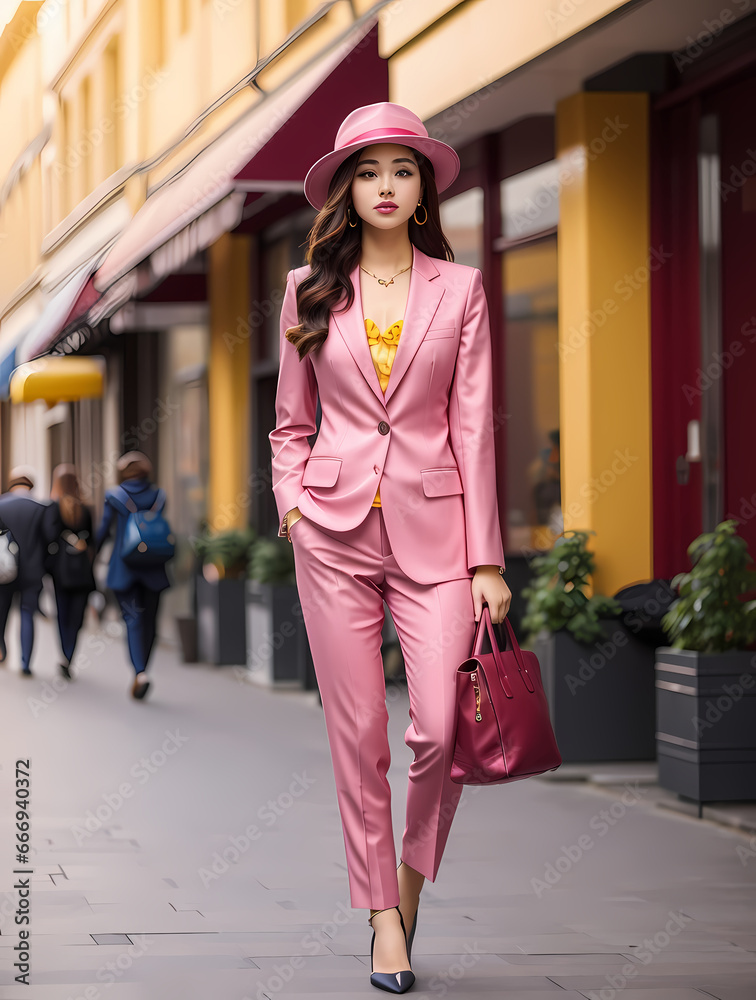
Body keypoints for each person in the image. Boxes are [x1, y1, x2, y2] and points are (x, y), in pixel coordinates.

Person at [269, 102, 512, 994]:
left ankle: (403, 891)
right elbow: (290, 424)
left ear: (422, 191)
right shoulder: (308, 288)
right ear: (347, 189)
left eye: (401, 172)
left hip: (438, 531)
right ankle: (381, 920)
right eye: (368, 172)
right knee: (360, 731)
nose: (384, 186)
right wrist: (293, 503)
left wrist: (487, 559)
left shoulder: (463, 288)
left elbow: (475, 425)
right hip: (331, 532)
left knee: (440, 730)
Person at [94, 452, 170, 699]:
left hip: (124, 568)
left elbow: (103, 531)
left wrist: (90, 554)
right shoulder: (159, 495)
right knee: (151, 623)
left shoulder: (114, 496)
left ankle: (139, 672)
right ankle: (144, 669)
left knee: (133, 621)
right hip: (154, 567)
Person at [0, 467, 59, 676]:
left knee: (2, 612)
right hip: (32, 571)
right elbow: (51, 539)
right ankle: (25, 663)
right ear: (30, 485)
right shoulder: (41, 507)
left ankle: (1, 650)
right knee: (27, 613)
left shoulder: (1, 504)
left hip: (4, 571)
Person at [47, 464, 97, 680]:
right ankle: (70, 655)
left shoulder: (53, 508)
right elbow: (94, 540)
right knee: (77, 616)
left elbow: (48, 538)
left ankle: (65, 655)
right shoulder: (86, 509)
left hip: (60, 572)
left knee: (62, 614)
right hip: (82, 572)